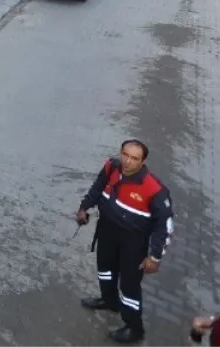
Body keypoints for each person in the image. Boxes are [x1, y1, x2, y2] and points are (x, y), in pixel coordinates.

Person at [77, 139, 174, 343]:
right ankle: (109, 300)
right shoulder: (111, 167)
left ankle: (134, 327)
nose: (128, 161)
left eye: (134, 158)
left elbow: (164, 226)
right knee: (105, 269)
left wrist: (155, 257)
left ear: (143, 161)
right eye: (125, 155)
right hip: (106, 232)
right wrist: (84, 207)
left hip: (133, 242)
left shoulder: (155, 189)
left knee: (129, 286)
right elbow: (97, 187)